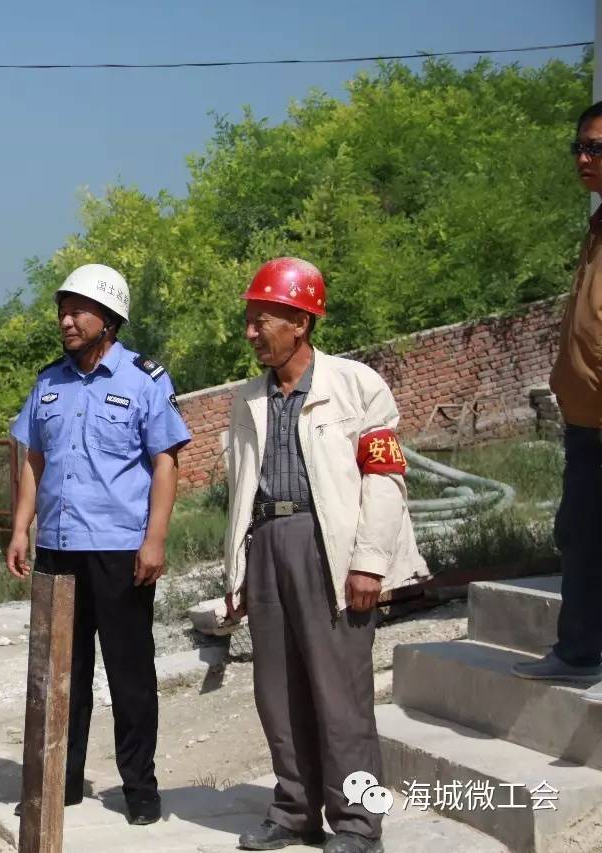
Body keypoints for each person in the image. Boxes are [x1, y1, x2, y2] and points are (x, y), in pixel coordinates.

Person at [223, 258, 428, 853]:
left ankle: (359, 825)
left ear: (300, 323)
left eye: (262, 321)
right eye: (250, 320)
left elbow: (385, 479)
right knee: (277, 695)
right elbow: (240, 490)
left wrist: (369, 561)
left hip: (329, 549)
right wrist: (235, 569)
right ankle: (293, 813)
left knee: (341, 697)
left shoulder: (358, 386)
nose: (252, 332)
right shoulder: (247, 401)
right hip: (268, 545)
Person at [6, 263, 191, 826]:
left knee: (129, 672)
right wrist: (21, 528)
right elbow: (34, 460)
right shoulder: (48, 383)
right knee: (64, 669)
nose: (66, 320)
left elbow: (166, 462)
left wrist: (154, 538)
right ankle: (62, 779)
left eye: (78, 310)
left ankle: (140, 788)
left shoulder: (144, 380)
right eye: (63, 309)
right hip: (59, 548)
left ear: (108, 319)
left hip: (119, 548)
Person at [513, 100, 602, 702]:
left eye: (597, 148)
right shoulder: (597, 228)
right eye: (579, 146)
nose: (584, 157)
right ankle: (578, 651)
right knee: (579, 535)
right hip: (586, 424)